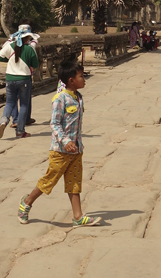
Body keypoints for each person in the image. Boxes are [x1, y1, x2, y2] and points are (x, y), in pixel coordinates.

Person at [18, 63, 101, 226]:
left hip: (76, 149)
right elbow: (55, 124)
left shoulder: (79, 97)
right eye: (81, 76)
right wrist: (66, 141)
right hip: (60, 151)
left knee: (75, 182)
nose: (84, 79)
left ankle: (78, 216)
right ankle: (26, 203)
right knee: (49, 180)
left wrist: (75, 143)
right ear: (71, 80)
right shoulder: (60, 99)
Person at [0, 25, 39, 140]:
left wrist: (9, 60)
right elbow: (35, 64)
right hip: (24, 79)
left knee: (10, 102)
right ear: (28, 37)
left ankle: (4, 120)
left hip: (10, 78)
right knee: (24, 104)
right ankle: (20, 131)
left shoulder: (9, 46)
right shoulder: (29, 49)